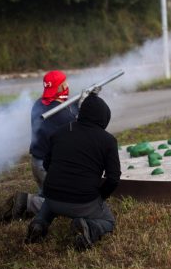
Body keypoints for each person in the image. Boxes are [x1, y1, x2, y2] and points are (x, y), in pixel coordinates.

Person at [26, 93, 121, 250]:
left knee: (49, 203)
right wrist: (100, 197)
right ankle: (89, 227)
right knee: (109, 221)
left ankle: (39, 224)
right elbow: (113, 179)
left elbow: (47, 163)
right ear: (104, 117)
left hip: (53, 196)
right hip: (84, 202)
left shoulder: (59, 132)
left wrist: (60, 179)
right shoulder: (108, 140)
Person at [0, 70, 78, 222]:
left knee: (47, 193)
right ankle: (25, 203)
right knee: (65, 203)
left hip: (37, 161)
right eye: (65, 83)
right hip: (49, 166)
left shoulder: (39, 104)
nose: (68, 85)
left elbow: (62, 111)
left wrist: (76, 103)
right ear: (59, 88)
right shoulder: (61, 115)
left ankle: (27, 210)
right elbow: (76, 126)